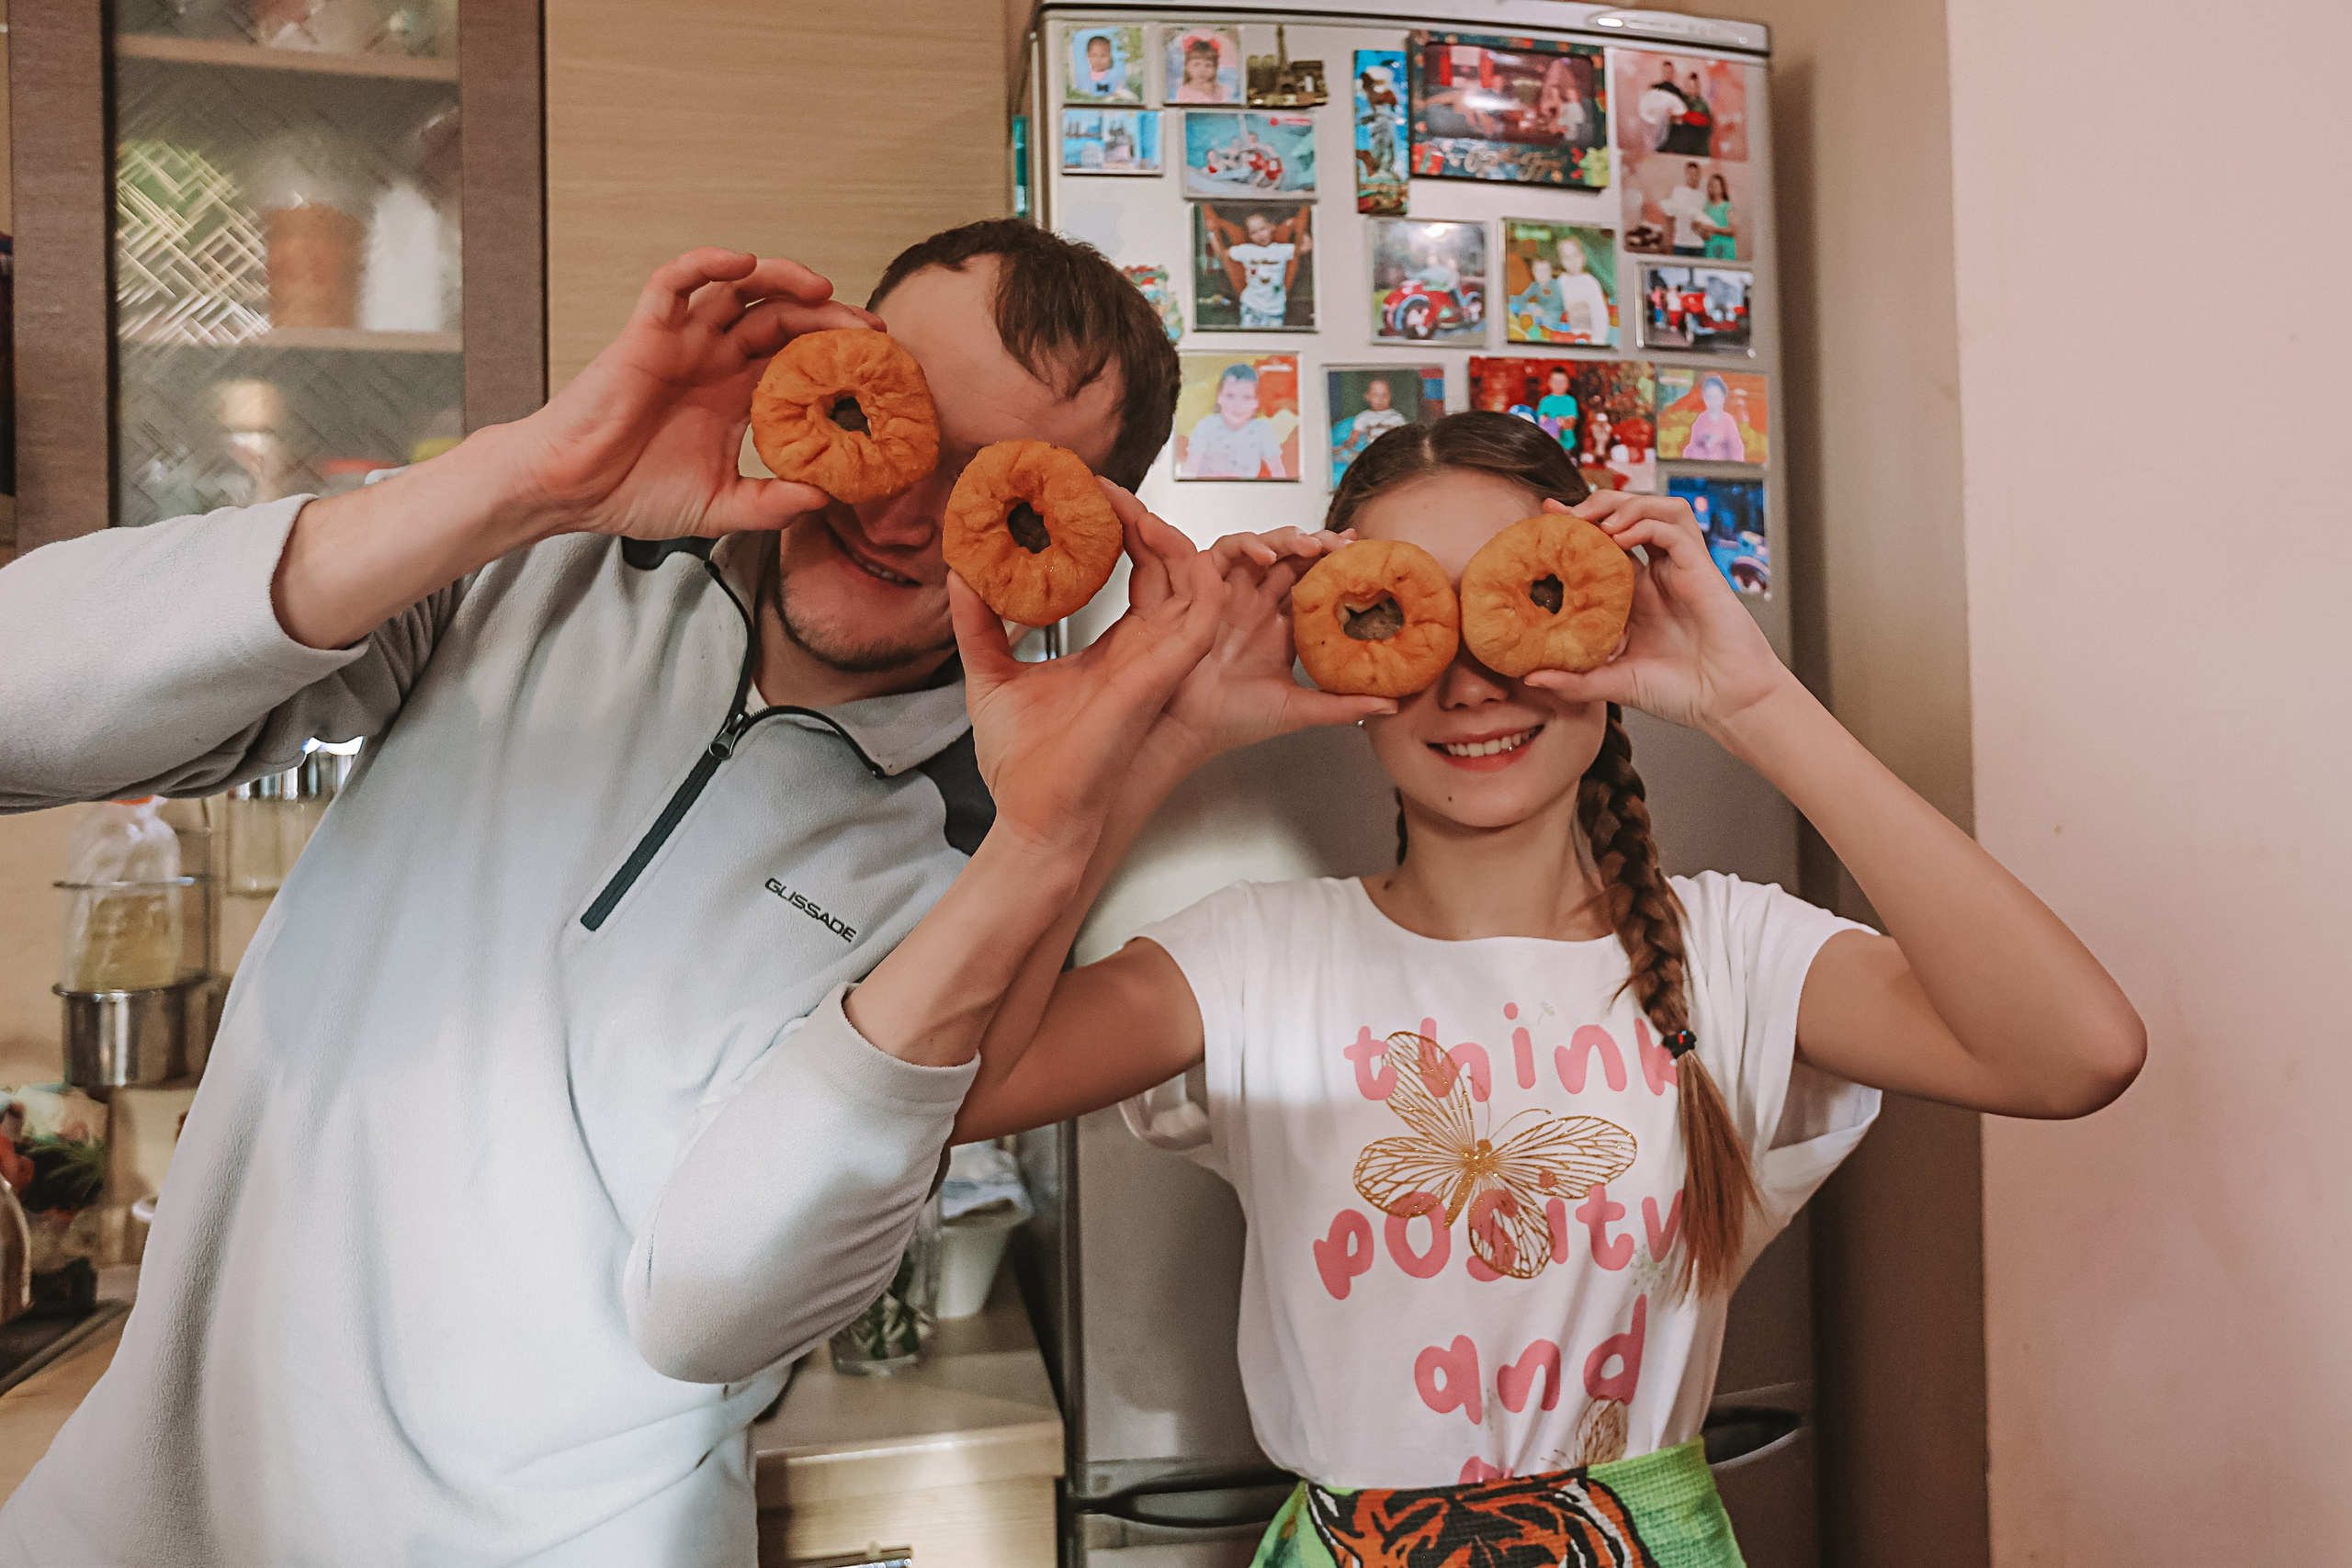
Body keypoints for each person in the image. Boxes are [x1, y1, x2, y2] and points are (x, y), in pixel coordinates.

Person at [0, 220, 1350, 1565]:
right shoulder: (531, 569)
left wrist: (1048, 841)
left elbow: (712, 1311)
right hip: (143, 1513)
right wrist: (527, 477)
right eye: (897, 420)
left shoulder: (976, 850)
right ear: (823, 371)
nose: (900, 511)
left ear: (1080, 537)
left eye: (986, 486)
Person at [947, 413, 2144, 1563]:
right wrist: (1110, 772)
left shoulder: (1731, 948)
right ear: (1338, 649)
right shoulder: (1255, 956)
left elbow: (2076, 1050)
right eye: (1404, 612)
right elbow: (948, 1088)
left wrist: (1758, 706)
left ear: (1605, 624)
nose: (1469, 681)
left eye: (1513, 611)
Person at [1183, 362, 1288, 479]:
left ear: (1256, 401)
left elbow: (1277, 468)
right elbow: (1191, 467)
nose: (1238, 405)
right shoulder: (1206, 427)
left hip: (1246, 493)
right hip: (1211, 490)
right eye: (1230, 396)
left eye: (1247, 398)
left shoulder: (1262, 430)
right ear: (1219, 396)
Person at [1209, 208, 1306, 328]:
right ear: (1249, 235)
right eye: (1254, 232)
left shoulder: (1281, 250)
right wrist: (1212, 232)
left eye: (1263, 229)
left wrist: (1299, 228)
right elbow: (1221, 253)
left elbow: (1307, 246)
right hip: (1251, 306)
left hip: (1275, 309)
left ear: (1271, 227)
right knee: (1250, 342)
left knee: (1273, 342)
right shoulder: (1246, 250)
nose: (1260, 235)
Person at [1330, 376, 1410, 483]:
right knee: (1355, 458)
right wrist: (1347, 444)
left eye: (1384, 395)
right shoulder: (1364, 417)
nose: (1380, 399)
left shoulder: (1396, 418)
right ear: (1368, 397)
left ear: (1390, 396)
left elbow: (1404, 436)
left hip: (1389, 450)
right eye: (1376, 395)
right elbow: (1355, 435)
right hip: (1370, 451)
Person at [1680, 373, 1747, 461]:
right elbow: (1694, 445)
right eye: (1709, 397)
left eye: (1716, 397)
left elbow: (1736, 449)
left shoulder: (1728, 421)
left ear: (1723, 397)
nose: (1712, 401)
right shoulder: (1700, 419)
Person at [1657, 161, 1712, 257]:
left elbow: (1706, 222)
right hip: (1680, 243)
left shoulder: (1703, 197)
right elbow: (1669, 218)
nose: (1693, 177)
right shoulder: (1678, 192)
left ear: (1699, 176)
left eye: (1695, 174)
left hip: (1698, 245)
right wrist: (1666, 240)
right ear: (1686, 174)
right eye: (1690, 174)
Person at [1172, 35, 1227, 104]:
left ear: (1215, 68)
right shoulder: (1184, 91)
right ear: (1187, 66)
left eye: (1208, 65)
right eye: (1196, 64)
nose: (1202, 70)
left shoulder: (1219, 90)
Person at [1076, 30, 1129, 99]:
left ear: (1110, 56)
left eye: (1103, 56)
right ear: (1087, 56)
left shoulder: (1118, 79)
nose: (1098, 59)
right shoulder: (1082, 80)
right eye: (1094, 55)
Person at [1701, 171, 1738, 260]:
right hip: (1710, 248)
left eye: (1716, 186)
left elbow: (1733, 230)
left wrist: (1714, 230)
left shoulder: (1727, 206)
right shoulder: (1706, 206)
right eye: (1710, 185)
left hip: (1725, 248)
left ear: (1722, 188)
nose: (1713, 189)